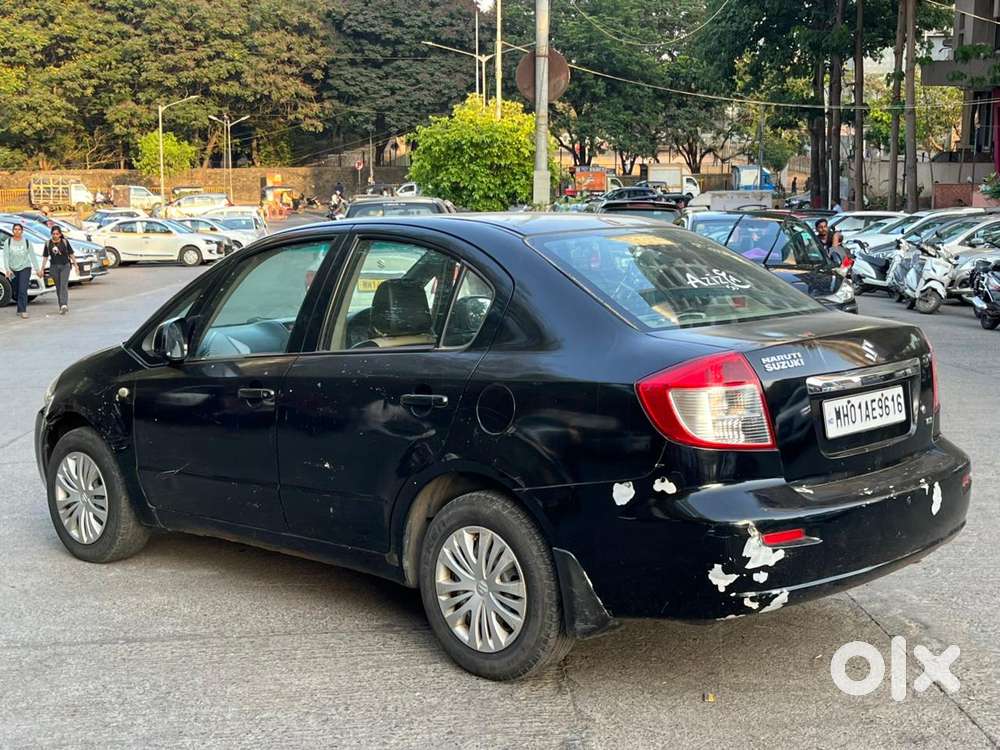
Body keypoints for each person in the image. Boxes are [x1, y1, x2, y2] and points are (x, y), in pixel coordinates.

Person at [2, 223, 42, 319]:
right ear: (13, 231)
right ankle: (20, 307)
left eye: (19, 229)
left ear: (22, 231)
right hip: (12, 270)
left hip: (25, 267)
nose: (17, 231)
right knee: (16, 290)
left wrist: (37, 270)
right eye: (15, 229)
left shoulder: (27, 242)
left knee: (23, 289)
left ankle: (22, 310)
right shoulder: (8, 242)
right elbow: (6, 257)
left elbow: (32, 256)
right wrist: (7, 269)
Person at [41, 226, 78, 315]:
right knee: (58, 287)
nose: (55, 235)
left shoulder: (64, 242)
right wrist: (42, 268)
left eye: (57, 234)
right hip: (54, 267)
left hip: (65, 266)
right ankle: (61, 306)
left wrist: (76, 265)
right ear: (51, 234)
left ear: (60, 234)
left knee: (63, 285)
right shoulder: (48, 243)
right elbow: (45, 257)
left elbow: (71, 254)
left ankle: (64, 304)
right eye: (53, 234)